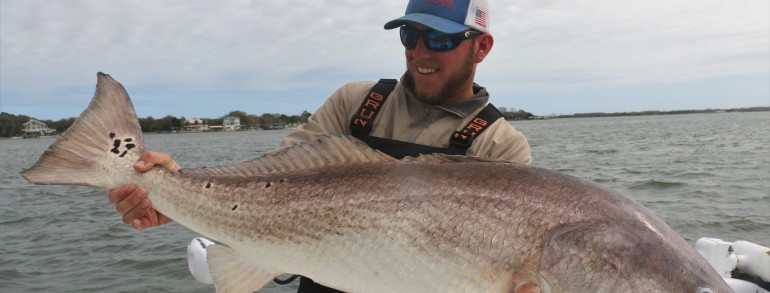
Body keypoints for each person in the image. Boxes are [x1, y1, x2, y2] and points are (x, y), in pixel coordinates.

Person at [108, 0, 531, 292]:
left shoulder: (502, 148)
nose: (420, 51)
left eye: (440, 39)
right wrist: (172, 189)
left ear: (482, 46)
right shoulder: (358, 102)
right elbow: (273, 179)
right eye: (411, 36)